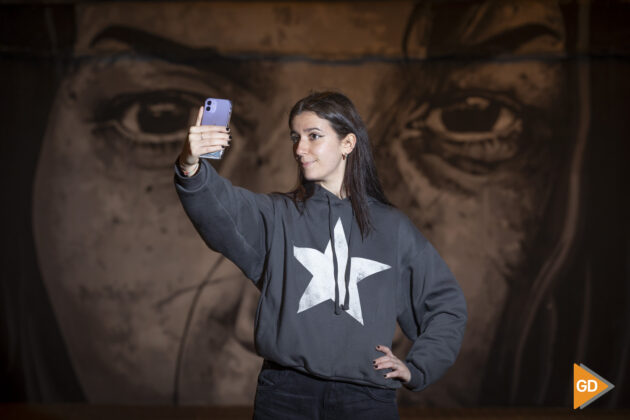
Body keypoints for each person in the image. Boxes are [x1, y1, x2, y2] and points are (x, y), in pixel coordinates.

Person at [174, 91, 467, 419]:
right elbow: (219, 206)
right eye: (295, 138)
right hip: (285, 395)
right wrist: (190, 163)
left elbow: (446, 305)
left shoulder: (392, 226)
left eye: (314, 136)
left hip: (367, 399)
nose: (300, 149)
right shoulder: (277, 215)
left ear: (348, 144)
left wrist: (419, 367)